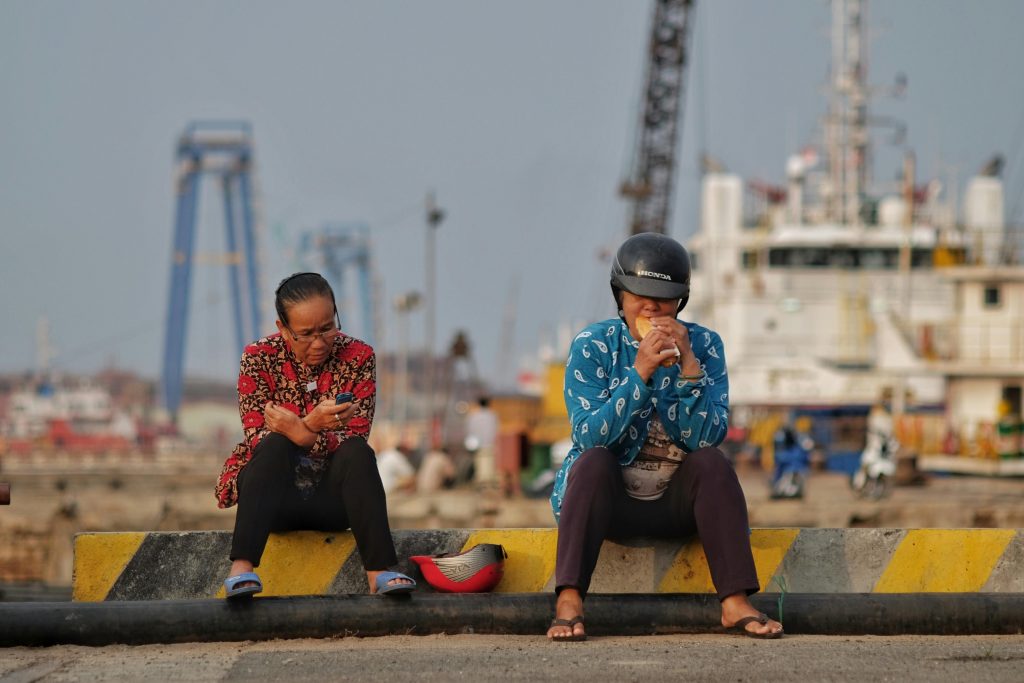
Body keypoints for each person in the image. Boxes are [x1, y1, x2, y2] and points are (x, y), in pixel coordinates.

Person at [547, 233, 783, 641]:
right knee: (593, 461)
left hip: (677, 506)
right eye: (639, 294)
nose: (652, 306)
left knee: (712, 462)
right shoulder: (593, 345)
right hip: (610, 504)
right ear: (619, 296)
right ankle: (568, 598)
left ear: (681, 301)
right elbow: (589, 435)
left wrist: (688, 367)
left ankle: (734, 602)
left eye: (664, 297)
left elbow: (707, 436)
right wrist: (638, 374)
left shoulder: (705, 345)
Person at [215, 272, 415, 598]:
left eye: (327, 328)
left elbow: (356, 432)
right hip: (274, 502)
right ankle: (242, 569)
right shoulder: (257, 358)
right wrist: (314, 422)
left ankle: (379, 571)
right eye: (305, 334)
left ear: (336, 313)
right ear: (283, 329)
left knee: (357, 453)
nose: (320, 343)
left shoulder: (359, 357)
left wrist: (301, 429)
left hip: (334, 503)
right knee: (274, 444)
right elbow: (257, 437)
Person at [465, 396, 499, 490]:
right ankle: (489, 484)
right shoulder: (493, 416)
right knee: (490, 464)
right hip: (490, 444)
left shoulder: (474, 416)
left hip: (478, 445)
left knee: (480, 464)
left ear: (479, 404)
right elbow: (496, 430)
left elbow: (470, 430)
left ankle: (482, 483)